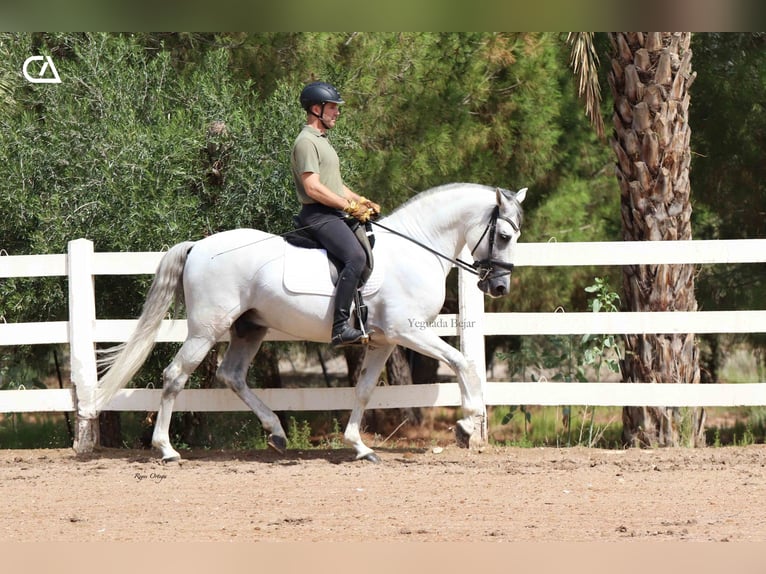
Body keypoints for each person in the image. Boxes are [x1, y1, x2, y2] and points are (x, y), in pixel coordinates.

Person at [291, 81, 380, 346]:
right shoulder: (306, 142)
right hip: (318, 215)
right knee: (355, 256)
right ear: (316, 109)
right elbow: (313, 187)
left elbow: (335, 185)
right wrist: (348, 207)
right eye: (332, 108)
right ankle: (340, 327)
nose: (337, 113)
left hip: (332, 213)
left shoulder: (322, 142)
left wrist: (361, 200)